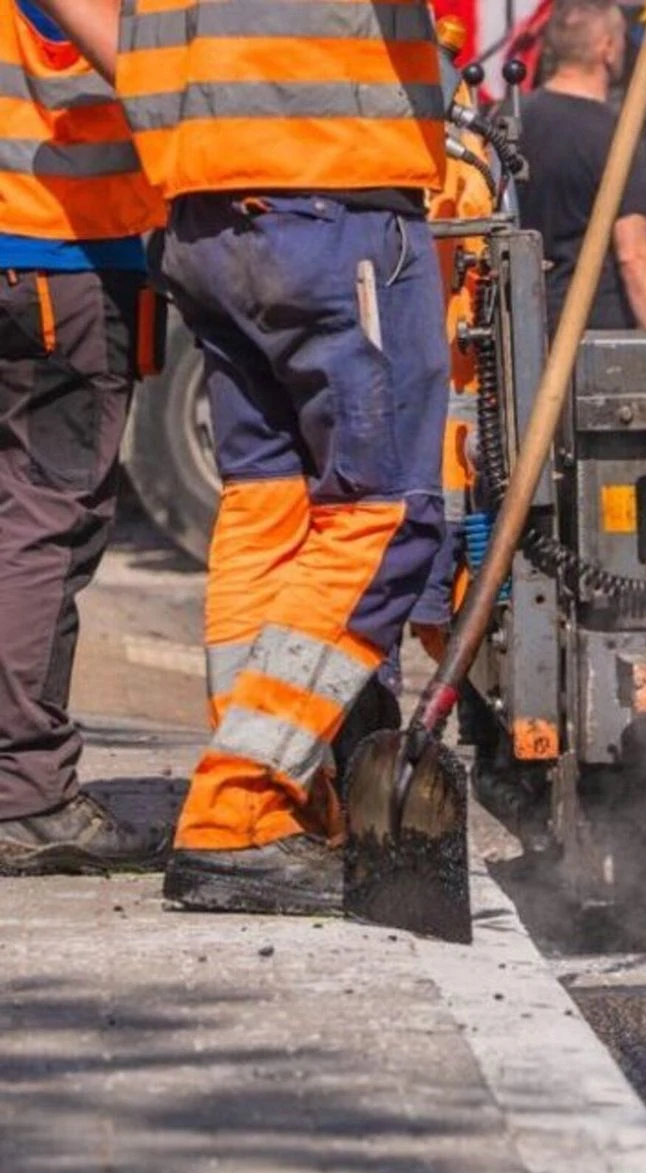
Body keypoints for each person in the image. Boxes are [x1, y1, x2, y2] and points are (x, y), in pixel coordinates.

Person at [37, 0, 453, 914]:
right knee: (385, 520)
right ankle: (241, 806)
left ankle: (278, 791)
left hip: (207, 213)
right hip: (328, 196)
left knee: (271, 506)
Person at [0, 0, 166, 874]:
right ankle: (26, 794)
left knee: (17, 519)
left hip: (26, 253)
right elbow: (147, 71)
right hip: (59, 249)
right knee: (47, 521)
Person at [518, 0, 646, 331]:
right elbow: (634, 256)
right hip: (595, 333)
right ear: (608, 48)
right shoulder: (615, 135)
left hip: (522, 324)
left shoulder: (509, 119)